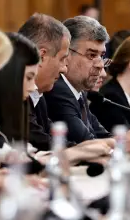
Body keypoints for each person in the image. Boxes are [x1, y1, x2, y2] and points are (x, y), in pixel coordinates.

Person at [18, 13, 115, 163]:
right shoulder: (49, 91)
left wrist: (112, 144)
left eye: (101, 56)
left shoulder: (41, 94)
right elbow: (41, 147)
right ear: (41, 56)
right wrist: (108, 146)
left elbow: (53, 143)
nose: (64, 68)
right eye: (63, 59)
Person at [44, 16, 130, 153]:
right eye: (92, 55)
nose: (100, 65)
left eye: (102, 56)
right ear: (67, 54)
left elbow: (101, 134)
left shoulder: (79, 91)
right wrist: (123, 144)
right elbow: (87, 142)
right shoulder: (58, 90)